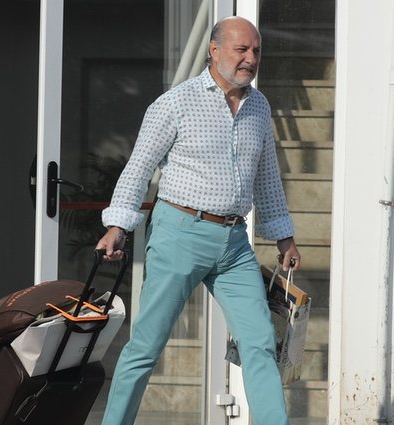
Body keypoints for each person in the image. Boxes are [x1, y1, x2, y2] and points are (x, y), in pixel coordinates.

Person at [95, 16, 300, 425]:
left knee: (260, 342)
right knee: (146, 346)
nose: (250, 59)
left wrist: (284, 238)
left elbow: (267, 178)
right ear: (214, 50)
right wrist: (118, 226)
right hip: (179, 234)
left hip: (234, 244)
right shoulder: (175, 103)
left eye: (256, 50)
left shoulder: (259, 106)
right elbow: (139, 169)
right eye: (242, 50)